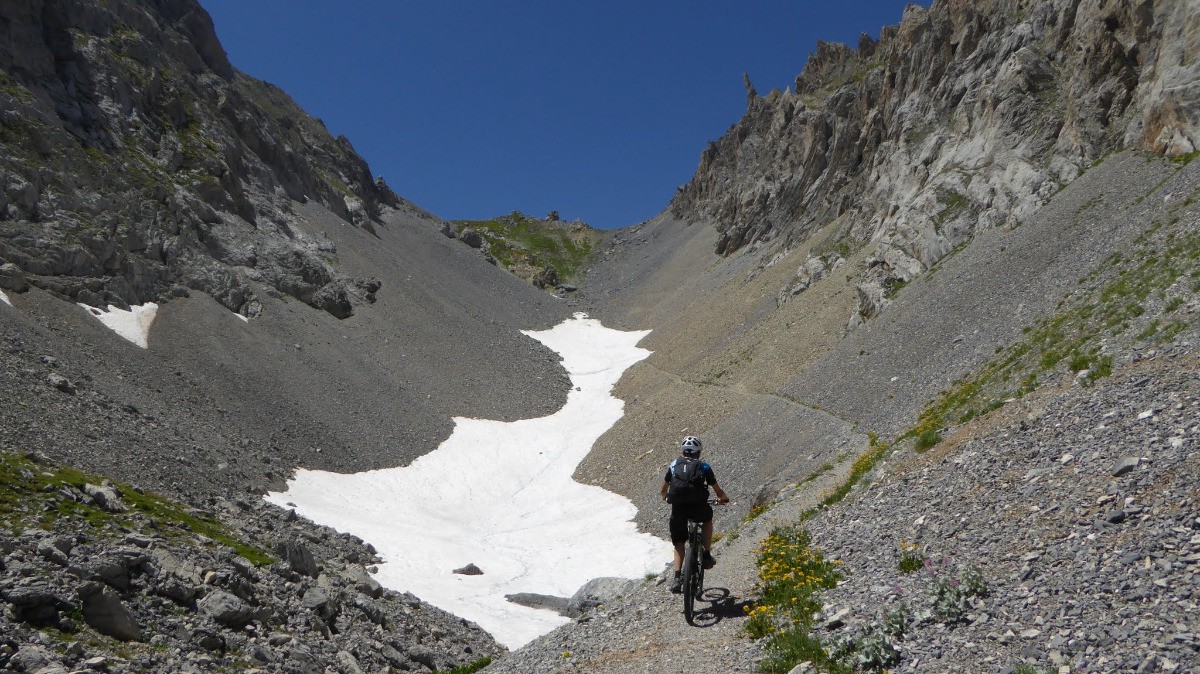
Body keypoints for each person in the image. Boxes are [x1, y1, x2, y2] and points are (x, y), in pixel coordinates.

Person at [660, 435, 729, 593]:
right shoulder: (703, 467)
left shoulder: (673, 465)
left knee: (679, 542)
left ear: (683, 451)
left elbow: (663, 490)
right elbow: (717, 490)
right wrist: (722, 499)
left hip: (678, 509)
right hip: (698, 506)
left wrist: (666, 498)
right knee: (707, 520)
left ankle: (677, 578)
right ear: (698, 452)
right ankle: (706, 554)